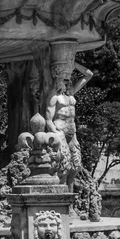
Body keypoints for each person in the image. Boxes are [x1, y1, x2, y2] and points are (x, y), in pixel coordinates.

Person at [44, 59, 93, 188]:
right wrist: (56, 133)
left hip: (72, 132)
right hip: (60, 132)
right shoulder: (54, 96)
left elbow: (89, 75)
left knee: (75, 167)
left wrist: (73, 63)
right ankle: (61, 199)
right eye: (65, 79)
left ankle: (70, 202)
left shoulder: (71, 93)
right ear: (58, 80)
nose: (68, 81)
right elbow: (48, 119)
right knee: (63, 167)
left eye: (69, 79)